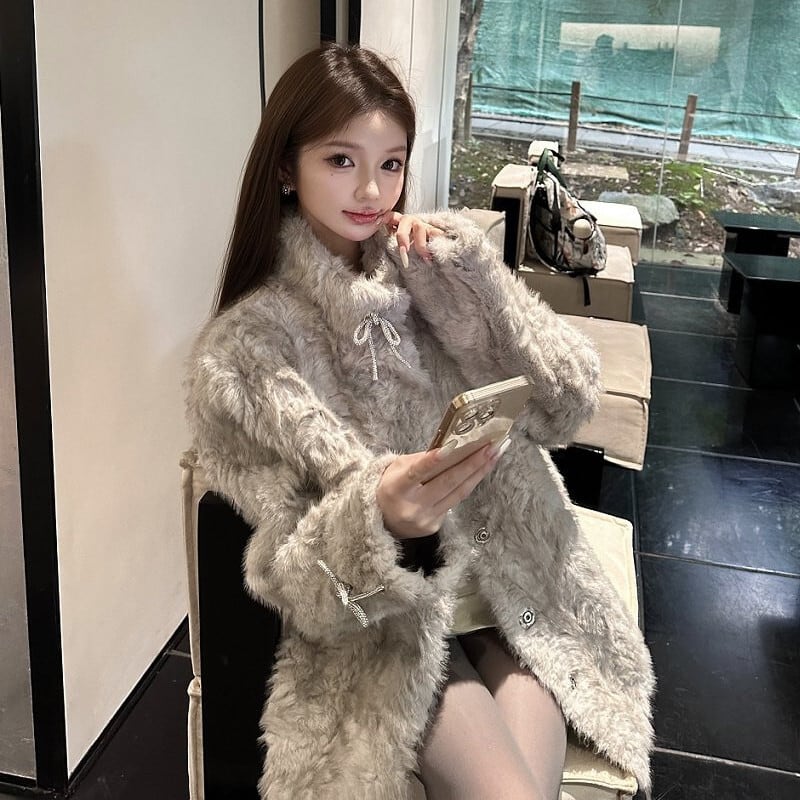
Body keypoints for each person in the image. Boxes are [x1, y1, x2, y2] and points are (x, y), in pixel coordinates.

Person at [185, 44, 654, 800]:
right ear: (286, 167)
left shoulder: (435, 266)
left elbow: (565, 405)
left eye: (391, 163)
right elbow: (285, 574)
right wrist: (379, 520)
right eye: (341, 160)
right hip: (390, 625)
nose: (372, 190)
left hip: (511, 576)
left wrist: (476, 290)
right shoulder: (248, 355)